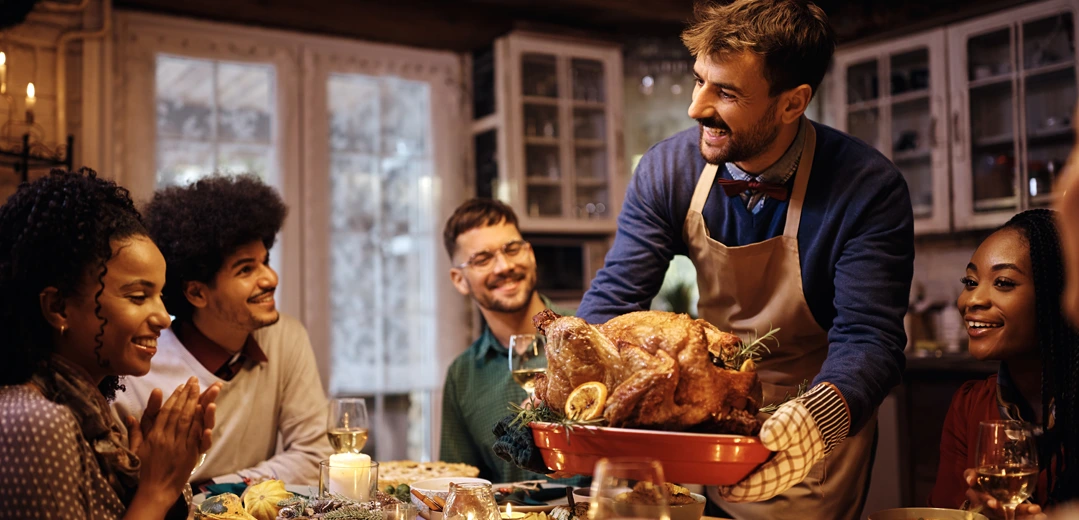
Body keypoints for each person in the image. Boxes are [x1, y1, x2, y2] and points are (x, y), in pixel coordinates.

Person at [574, 1, 915, 518]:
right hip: (703, 420)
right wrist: (577, 377)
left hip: (806, 433)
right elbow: (617, 292)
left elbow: (871, 338)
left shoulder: (867, 188)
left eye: (726, 92)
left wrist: (814, 421)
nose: (697, 108)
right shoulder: (668, 169)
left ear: (792, 104)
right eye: (699, 81)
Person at [0, 168, 219, 519]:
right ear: (58, 307)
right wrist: (155, 491)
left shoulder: (91, 413)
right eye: (137, 296)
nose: (163, 317)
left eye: (159, 295)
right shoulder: (36, 424)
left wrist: (144, 477)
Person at [113, 174, 332, 487]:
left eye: (265, 261)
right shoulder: (135, 370)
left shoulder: (286, 337)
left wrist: (216, 489)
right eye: (246, 269)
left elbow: (314, 455)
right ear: (197, 293)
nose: (271, 278)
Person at [928, 209, 1078, 518]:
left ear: (1059, 296)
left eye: (1004, 283)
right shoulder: (969, 406)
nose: (971, 300)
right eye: (970, 281)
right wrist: (975, 512)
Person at [440, 198, 578, 483]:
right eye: (482, 259)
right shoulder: (461, 375)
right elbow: (458, 487)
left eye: (512, 249)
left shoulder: (586, 337)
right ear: (459, 280)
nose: (503, 266)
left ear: (530, 253)